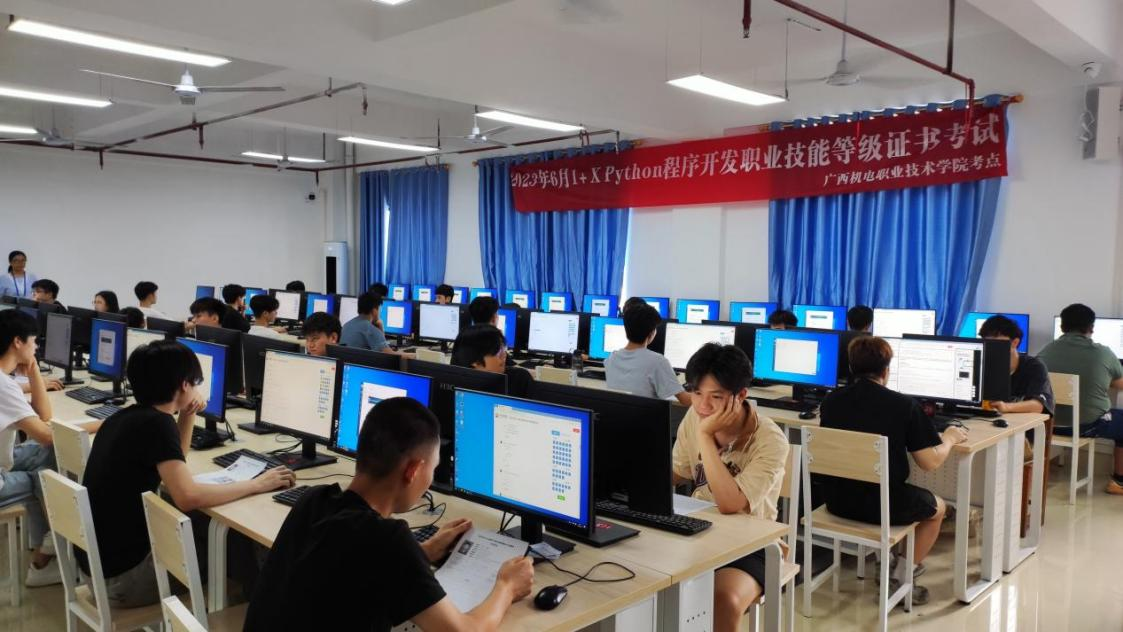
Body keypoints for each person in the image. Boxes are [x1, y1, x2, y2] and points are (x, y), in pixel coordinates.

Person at [244, 397, 533, 631]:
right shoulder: (387, 539)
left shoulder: (314, 499)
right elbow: (462, 630)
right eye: (432, 469)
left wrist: (423, 551)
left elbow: (356, 565)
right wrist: (507, 586)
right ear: (413, 470)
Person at [79, 340, 294, 607]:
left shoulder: (126, 418)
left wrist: (188, 413)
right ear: (184, 385)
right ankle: (250, 607)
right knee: (229, 544)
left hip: (100, 569)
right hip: (125, 581)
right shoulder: (157, 425)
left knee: (207, 525)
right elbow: (187, 497)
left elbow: (176, 457)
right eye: (195, 383)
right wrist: (257, 484)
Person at [818, 336, 968, 603]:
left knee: (887, 492)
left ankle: (886, 563)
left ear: (851, 368)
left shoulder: (831, 401)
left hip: (837, 501)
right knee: (939, 508)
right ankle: (901, 575)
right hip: (883, 507)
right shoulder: (904, 405)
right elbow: (930, 462)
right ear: (886, 370)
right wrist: (950, 438)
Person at [671, 343, 789, 632]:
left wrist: (705, 436)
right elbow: (677, 472)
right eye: (696, 393)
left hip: (752, 545)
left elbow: (730, 503)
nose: (703, 406)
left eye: (716, 397)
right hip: (699, 531)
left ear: (741, 396)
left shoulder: (770, 440)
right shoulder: (695, 417)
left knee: (722, 599)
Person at [0, 309, 61, 586]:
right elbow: (47, 433)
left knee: (44, 455)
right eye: (34, 341)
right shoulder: (4, 385)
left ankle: (45, 548)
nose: (36, 348)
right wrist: (101, 424)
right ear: (17, 342)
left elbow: (43, 415)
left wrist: (34, 370)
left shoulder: (6, 379)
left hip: (4, 460)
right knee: (44, 474)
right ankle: (46, 552)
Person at [1038, 303, 1123, 494]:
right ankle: (1119, 481)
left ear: (1062, 326)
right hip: (1087, 426)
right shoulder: (1103, 353)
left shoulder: (1045, 351)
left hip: (1048, 424)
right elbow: (1120, 384)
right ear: (1091, 328)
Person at [605, 303, 691, 406]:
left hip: (618, 415)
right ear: (651, 333)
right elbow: (685, 400)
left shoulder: (612, 358)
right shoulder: (657, 361)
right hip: (646, 416)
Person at [979, 315, 1054, 416]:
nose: (990, 348)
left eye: (995, 343)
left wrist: (1006, 407)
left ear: (1014, 342)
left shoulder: (1034, 367)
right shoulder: (982, 365)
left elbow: (1038, 405)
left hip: (1023, 423)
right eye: (986, 343)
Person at [451, 325, 533, 397]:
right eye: (498, 351)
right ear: (475, 360)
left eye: (503, 348)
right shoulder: (454, 383)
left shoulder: (519, 379)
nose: (504, 355)